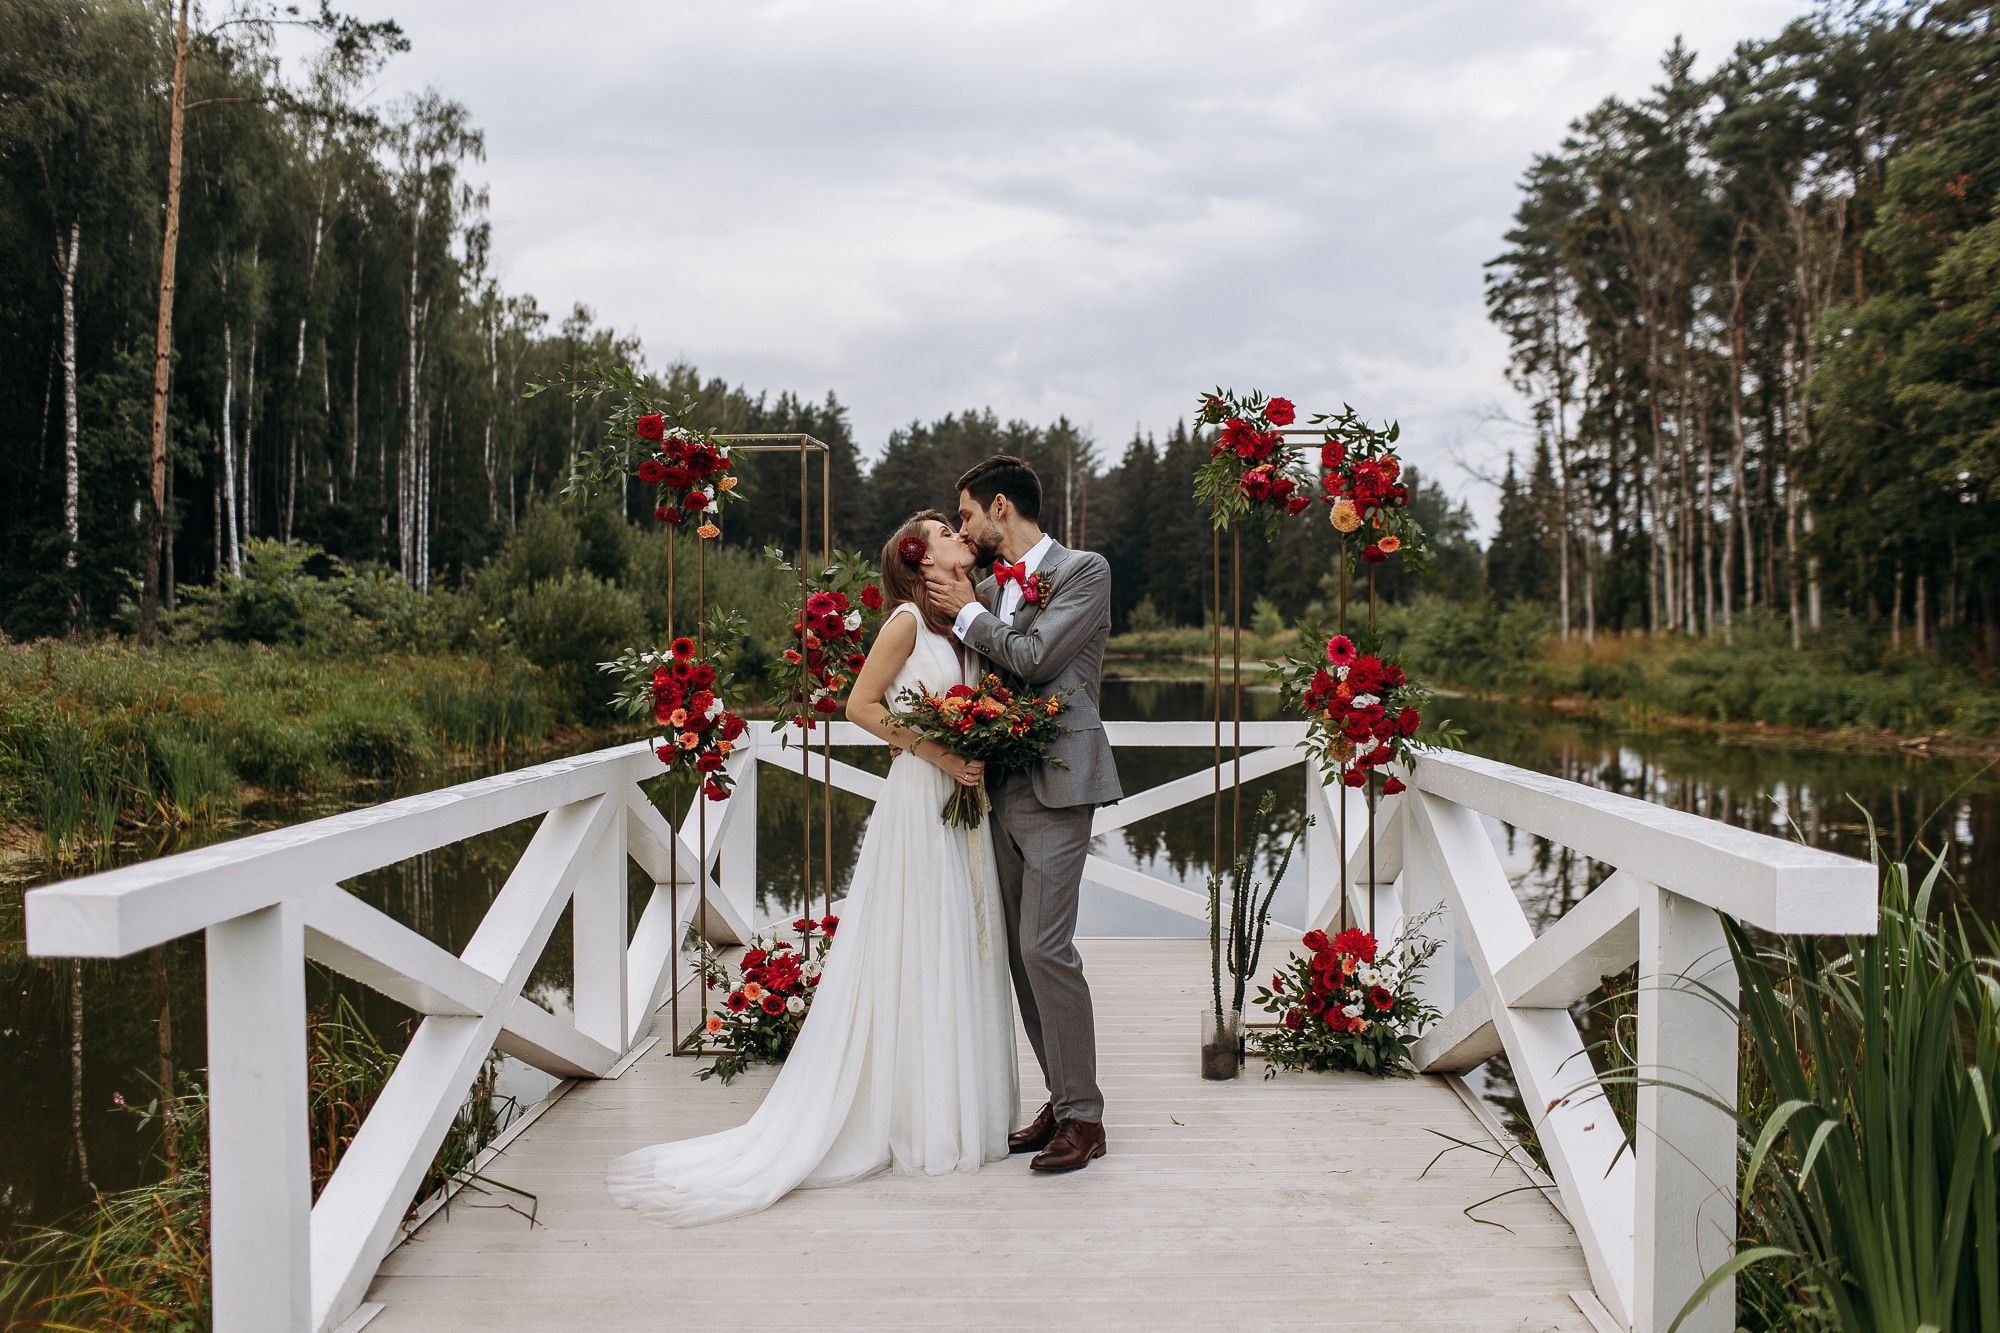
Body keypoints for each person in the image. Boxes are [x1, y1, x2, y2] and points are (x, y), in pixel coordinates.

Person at [605, 510, 1017, 1226]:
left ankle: (960, 1110)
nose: (959, 533)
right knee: (917, 947)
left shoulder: (965, 624)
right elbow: (860, 705)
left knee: (960, 944)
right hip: (923, 801)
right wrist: (938, 752)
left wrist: (976, 738)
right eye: (945, 530)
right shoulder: (906, 625)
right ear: (920, 559)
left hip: (964, 805)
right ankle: (917, 1119)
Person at [924, 455, 1122, 1173]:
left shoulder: (1083, 571)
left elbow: (1036, 658)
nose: (964, 527)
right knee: (1018, 953)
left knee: (1045, 947)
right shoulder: (987, 586)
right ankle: (1063, 1099)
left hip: (1059, 781)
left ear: (1000, 505)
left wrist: (968, 612)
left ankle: (1087, 1119)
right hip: (996, 783)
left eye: (968, 513)